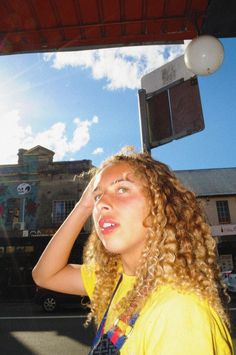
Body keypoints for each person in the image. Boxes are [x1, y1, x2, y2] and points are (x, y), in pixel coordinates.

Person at [32, 147, 234, 354]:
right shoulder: (113, 278)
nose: (101, 205)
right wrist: (83, 205)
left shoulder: (179, 311)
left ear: (160, 205)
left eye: (122, 189)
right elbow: (45, 275)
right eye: (98, 196)